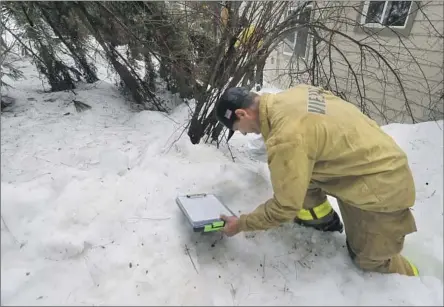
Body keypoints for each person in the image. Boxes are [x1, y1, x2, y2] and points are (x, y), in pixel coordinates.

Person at [214, 85, 420, 277]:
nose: (244, 132)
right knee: (296, 173)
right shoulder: (296, 94)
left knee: (370, 262)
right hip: (367, 164)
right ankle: (322, 220)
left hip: (382, 189)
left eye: (240, 128)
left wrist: (241, 224)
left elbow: (285, 206)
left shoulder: (286, 137)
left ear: (242, 114)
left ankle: (417, 283)